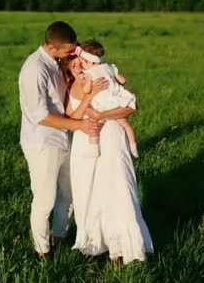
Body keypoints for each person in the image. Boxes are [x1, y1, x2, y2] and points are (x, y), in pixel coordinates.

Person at [18, 21, 107, 258]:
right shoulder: (34, 70)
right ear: (50, 46)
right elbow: (41, 116)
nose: (72, 53)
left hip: (65, 138)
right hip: (42, 143)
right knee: (45, 199)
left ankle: (60, 236)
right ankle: (42, 251)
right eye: (68, 51)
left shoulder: (58, 61)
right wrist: (80, 126)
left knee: (70, 192)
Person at [63, 43, 154, 264]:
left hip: (112, 137)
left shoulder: (100, 78)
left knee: (119, 186)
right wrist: (93, 107)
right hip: (88, 141)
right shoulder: (75, 86)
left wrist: (102, 114)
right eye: (74, 63)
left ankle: (125, 246)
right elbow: (71, 117)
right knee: (94, 191)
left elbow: (130, 107)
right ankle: (106, 245)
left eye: (81, 62)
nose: (78, 66)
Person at [74, 41, 139, 158]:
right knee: (126, 125)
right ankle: (133, 147)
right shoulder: (109, 67)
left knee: (96, 125)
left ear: (89, 61)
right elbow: (123, 80)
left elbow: (86, 90)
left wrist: (85, 82)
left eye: (82, 62)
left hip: (103, 103)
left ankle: (94, 148)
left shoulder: (89, 73)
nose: (81, 64)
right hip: (117, 100)